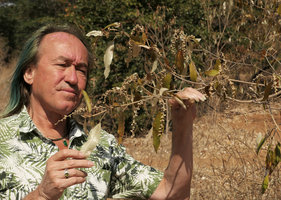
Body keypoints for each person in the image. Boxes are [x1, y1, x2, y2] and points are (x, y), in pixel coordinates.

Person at [0, 24, 205, 200]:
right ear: (29, 73)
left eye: (81, 69)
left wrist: (182, 124)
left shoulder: (101, 145)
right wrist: (41, 195)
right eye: (62, 65)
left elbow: (172, 193)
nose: (73, 78)